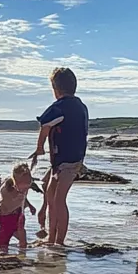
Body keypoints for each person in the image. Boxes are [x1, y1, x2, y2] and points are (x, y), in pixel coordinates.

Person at [30, 66, 89, 246]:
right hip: (73, 159)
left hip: (66, 161)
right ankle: (52, 237)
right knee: (50, 195)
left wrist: (39, 147)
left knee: (58, 199)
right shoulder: (81, 106)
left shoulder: (60, 107)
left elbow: (45, 125)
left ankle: (59, 241)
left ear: (55, 89)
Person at [0, 163, 39, 250]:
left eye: (28, 185)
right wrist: (16, 198)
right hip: (6, 215)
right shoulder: (6, 189)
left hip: (19, 214)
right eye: (24, 186)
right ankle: (2, 252)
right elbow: (6, 204)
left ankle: (23, 251)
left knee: (22, 236)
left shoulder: (24, 186)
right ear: (16, 181)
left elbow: (24, 198)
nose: (26, 189)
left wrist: (30, 205)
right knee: (4, 240)